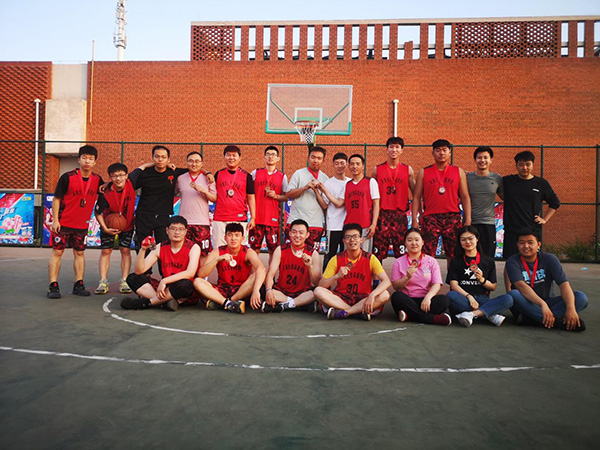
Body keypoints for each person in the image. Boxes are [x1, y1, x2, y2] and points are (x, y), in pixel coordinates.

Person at [47, 145, 104, 298]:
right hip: (63, 222)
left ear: (95, 162)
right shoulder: (67, 177)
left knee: (79, 253)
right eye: (84, 158)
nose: (87, 161)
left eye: (91, 159)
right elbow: (56, 199)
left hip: (82, 224)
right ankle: (53, 285)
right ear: (79, 159)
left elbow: (108, 192)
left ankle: (78, 284)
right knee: (57, 252)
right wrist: (55, 220)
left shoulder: (98, 180)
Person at [505, 228, 587, 331]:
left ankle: (533, 320)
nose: (526, 246)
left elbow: (564, 284)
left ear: (538, 245)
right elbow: (521, 286)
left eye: (530, 242)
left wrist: (571, 308)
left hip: (548, 302)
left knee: (581, 297)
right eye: (522, 243)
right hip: (526, 304)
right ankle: (557, 322)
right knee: (513, 294)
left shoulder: (550, 259)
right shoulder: (513, 261)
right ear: (517, 245)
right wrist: (542, 304)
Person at [120, 216, 200, 311]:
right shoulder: (159, 247)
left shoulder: (193, 247)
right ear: (167, 230)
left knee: (185, 285)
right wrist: (143, 249)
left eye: (180, 229)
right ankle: (165, 302)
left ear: (185, 231)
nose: (177, 232)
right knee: (133, 278)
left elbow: (190, 273)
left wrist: (164, 281)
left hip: (183, 291)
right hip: (165, 289)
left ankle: (147, 303)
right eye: (173, 229)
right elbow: (139, 271)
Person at [314, 223, 391, 321]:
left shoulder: (370, 258)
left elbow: (386, 281)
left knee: (385, 294)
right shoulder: (336, 259)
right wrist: (336, 276)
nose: (352, 240)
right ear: (344, 241)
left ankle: (346, 312)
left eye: (355, 236)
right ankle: (357, 312)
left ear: (361, 239)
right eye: (348, 237)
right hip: (342, 297)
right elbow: (321, 284)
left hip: (363, 297)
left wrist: (372, 294)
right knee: (318, 291)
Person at [412, 139, 471, 262]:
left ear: (450, 153)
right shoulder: (424, 172)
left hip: (452, 217)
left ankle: (452, 275)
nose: (441, 153)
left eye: (444, 150)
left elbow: (465, 196)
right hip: (431, 218)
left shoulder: (458, 172)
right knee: (427, 253)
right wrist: (414, 219)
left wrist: (468, 219)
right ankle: (428, 274)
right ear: (432, 153)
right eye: (438, 150)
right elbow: (416, 197)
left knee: (453, 254)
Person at [446, 226, 513, 327]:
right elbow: (453, 285)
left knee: (508, 299)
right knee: (451, 295)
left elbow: (493, 286)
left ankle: (472, 314)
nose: (467, 242)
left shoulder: (488, 261)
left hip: (482, 298)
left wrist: (482, 280)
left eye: (470, 238)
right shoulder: (455, 261)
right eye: (463, 239)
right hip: (463, 298)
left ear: (477, 239)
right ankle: (488, 313)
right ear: (459, 242)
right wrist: (469, 297)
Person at [193, 222, 266, 314]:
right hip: (222, 289)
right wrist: (217, 259)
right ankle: (228, 303)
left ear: (243, 238)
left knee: (256, 275)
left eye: (237, 235)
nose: (233, 238)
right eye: (230, 235)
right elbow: (201, 274)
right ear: (225, 238)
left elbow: (262, 269)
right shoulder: (218, 251)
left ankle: (225, 302)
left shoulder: (248, 252)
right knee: (197, 282)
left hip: (242, 290)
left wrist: (256, 291)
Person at [502, 151, 560, 260]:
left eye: (528, 164)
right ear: (516, 165)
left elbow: (555, 202)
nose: (524, 168)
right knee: (510, 262)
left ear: (533, 165)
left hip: (532, 230)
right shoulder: (507, 181)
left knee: (532, 261)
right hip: (512, 230)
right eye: (521, 165)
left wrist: (544, 219)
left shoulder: (541, 183)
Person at [128, 145, 188, 248]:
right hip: (144, 215)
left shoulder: (173, 172)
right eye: (157, 156)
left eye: (163, 157)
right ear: (152, 158)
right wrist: (144, 166)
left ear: (168, 159)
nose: (160, 159)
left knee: (163, 247)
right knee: (143, 246)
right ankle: (145, 260)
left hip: (163, 216)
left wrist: (208, 173)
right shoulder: (145, 173)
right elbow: (130, 181)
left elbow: (193, 169)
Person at [390, 228, 452, 326]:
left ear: (422, 242)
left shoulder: (431, 261)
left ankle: (410, 315)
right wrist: (407, 277)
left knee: (444, 300)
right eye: (409, 240)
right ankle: (433, 319)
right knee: (396, 297)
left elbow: (437, 284)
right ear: (405, 243)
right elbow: (396, 286)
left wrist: (428, 297)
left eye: (417, 240)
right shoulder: (398, 262)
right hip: (408, 300)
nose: (413, 243)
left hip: (426, 300)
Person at [93, 162, 136, 295]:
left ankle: (125, 281)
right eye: (114, 176)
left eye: (121, 175)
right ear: (110, 177)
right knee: (106, 251)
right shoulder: (105, 193)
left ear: (126, 175)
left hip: (127, 224)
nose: (118, 178)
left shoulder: (131, 183)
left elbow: (143, 167)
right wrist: (105, 228)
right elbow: (97, 212)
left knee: (125, 250)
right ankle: (103, 281)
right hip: (109, 224)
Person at [262, 219, 321, 313]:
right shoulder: (280, 250)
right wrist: (268, 290)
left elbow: (317, 282)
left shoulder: (313, 253)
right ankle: (298, 304)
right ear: (289, 233)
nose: (297, 235)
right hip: (282, 292)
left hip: (303, 293)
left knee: (316, 292)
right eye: (294, 232)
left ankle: (283, 306)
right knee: (266, 291)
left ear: (307, 235)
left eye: (301, 233)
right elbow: (270, 274)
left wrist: (310, 266)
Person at [371, 136, 415, 261]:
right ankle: (377, 274)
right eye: (391, 147)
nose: (394, 150)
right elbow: (371, 194)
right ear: (387, 149)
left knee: (401, 251)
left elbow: (416, 193)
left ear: (402, 150)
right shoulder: (377, 170)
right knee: (378, 251)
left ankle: (401, 273)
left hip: (399, 214)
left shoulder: (408, 170)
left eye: (397, 147)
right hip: (382, 215)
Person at [285, 146, 329, 252]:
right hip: (296, 222)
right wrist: (305, 188)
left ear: (323, 160)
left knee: (312, 255)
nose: (315, 160)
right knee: (291, 253)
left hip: (315, 224)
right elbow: (289, 194)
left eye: (319, 158)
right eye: (313, 157)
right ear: (308, 158)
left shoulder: (325, 178)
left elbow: (325, 205)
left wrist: (326, 224)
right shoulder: (298, 174)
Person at [249, 146, 288, 264]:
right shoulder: (255, 173)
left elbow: (286, 197)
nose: (270, 157)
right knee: (254, 249)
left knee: (273, 250)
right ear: (264, 157)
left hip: (273, 219)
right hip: (257, 218)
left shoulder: (282, 176)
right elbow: (248, 192)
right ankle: (254, 273)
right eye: (268, 154)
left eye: (273, 155)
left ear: (278, 158)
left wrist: (276, 196)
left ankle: (271, 274)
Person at [176, 151, 217, 264]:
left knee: (203, 252)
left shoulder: (209, 179)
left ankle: (201, 274)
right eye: (191, 161)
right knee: (184, 251)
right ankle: (186, 273)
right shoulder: (180, 179)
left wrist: (203, 190)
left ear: (202, 163)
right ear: (187, 162)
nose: (194, 164)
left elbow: (214, 198)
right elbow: (173, 192)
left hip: (202, 222)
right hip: (184, 222)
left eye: (197, 161)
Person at [212, 145, 256, 248]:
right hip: (220, 218)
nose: (231, 158)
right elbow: (213, 194)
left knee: (238, 250)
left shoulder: (247, 176)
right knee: (219, 249)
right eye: (228, 155)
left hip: (239, 218)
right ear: (224, 157)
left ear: (239, 158)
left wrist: (253, 218)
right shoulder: (218, 174)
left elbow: (251, 198)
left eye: (234, 155)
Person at [466, 146, 503, 258]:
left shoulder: (497, 178)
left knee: (488, 257)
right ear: (475, 160)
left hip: (489, 223)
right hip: (471, 223)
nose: (482, 160)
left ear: (491, 160)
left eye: (485, 157)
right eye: (479, 158)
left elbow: (505, 197)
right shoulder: (467, 178)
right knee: (470, 256)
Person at [319, 152, 350, 269]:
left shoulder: (351, 182)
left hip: (347, 226)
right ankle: (326, 279)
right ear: (333, 165)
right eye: (336, 163)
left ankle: (344, 279)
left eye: (342, 163)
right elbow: (324, 205)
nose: (339, 166)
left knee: (346, 256)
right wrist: (318, 192)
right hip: (333, 226)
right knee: (330, 255)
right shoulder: (328, 183)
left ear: (347, 164)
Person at [343, 154, 380, 252]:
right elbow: (341, 203)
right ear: (348, 166)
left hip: (365, 225)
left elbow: (376, 204)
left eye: (357, 164)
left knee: (364, 255)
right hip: (349, 226)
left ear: (362, 166)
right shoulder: (347, 184)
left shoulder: (371, 182)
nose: (354, 166)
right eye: (352, 164)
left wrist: (374, 224)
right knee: (349, 254)